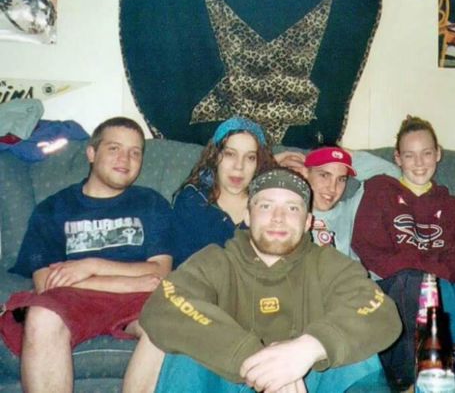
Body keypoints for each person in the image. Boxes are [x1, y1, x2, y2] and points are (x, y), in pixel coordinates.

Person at [124, 168, 402, 393]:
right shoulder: (215, 260)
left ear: (308, 221)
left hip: (306, 381)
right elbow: (165, 303)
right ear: (248, 215)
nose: (278, 218)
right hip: (229, 378)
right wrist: (258, 361)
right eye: (266, 206)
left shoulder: (330, 263)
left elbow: (379, 309)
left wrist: (306, 349)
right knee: (176, 343)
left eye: (292, 208)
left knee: (360, 358)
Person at [0, 117, 173, 393]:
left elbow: (160, 272)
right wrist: (133, 281)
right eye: (114, 148)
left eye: (135, 152)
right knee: (42, 315)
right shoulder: (53, 208)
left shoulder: (152, 203)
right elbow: (46, 283)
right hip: (77, 299)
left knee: (170, 324)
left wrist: (90, 266)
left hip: (138, 302)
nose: (125, 159)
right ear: (91, 153)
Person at [352, 116, 455, 389]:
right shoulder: (380, 191)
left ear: (438, 154)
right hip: (400, 287)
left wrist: (444, 272)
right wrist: (428, 271)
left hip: (444, 280)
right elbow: (368, 247)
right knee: (434, 286)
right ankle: (448, 375)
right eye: (409, 155)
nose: (419, 162)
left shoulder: (454, 206)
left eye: (426, 153)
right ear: (398, 158)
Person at [172, 116, 276, 266]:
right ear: (215, 156)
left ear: (258, 163)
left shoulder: (270, 206)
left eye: (250, 157)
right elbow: (181, 267)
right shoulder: (192, 201)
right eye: (230, 154)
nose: (239, 166)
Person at [277, 145, 400, 259]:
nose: (332, 188)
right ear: (305, 173)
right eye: (324, 175)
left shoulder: (351, 211)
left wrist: (344, 155)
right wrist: (277, 159)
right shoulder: (287, 213)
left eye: (341, 179)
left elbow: (392, 175)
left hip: (350, 274)